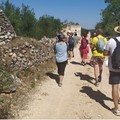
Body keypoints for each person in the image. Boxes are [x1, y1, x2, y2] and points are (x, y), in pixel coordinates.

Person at [103, 26, 120, 116]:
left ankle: (116, 109)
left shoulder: (112, 41)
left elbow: (105, 53)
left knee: (115, 86)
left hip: (115, 67)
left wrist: (111, 54)